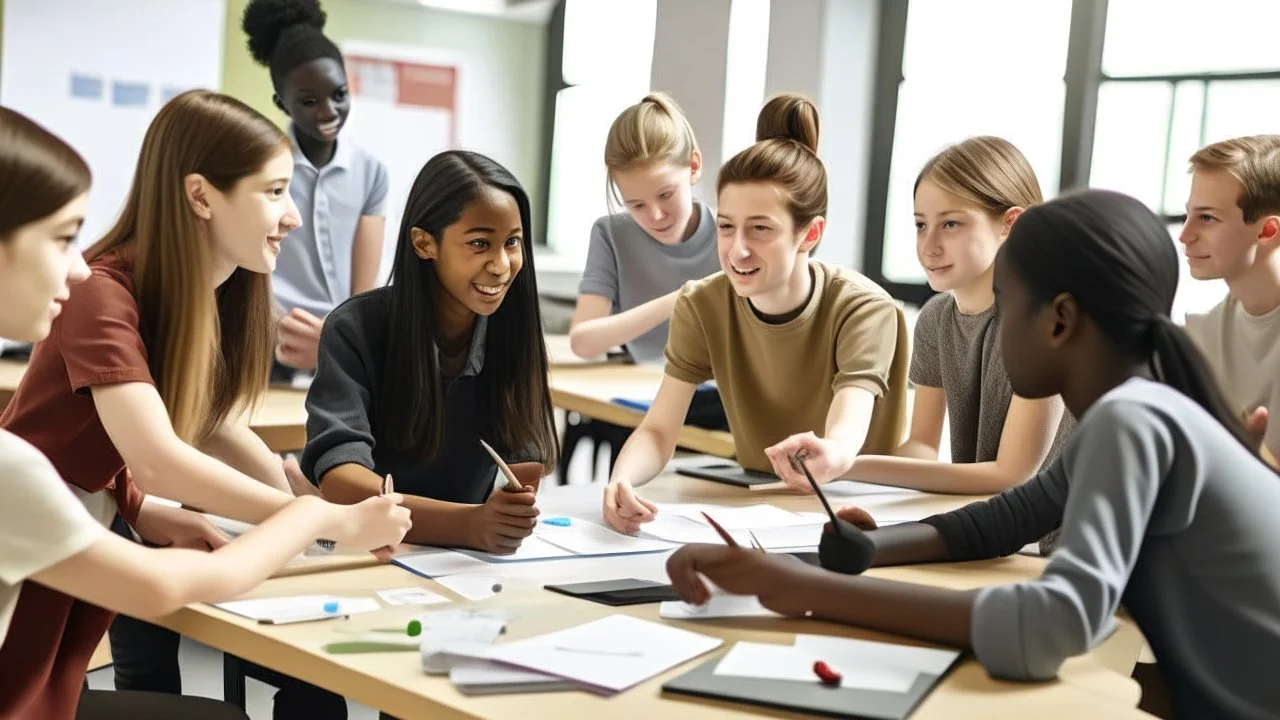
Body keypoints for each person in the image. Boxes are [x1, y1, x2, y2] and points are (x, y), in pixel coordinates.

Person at [665, 189, 1280, 720]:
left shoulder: (1132, 420)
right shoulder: (1139, 412)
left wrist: (805, 590)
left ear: (1060, 320)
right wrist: (872, 547)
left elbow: (1050, 626)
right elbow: (1011, 518)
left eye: (1006, 302)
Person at [0, 90, 406, 717]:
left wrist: (145, 505)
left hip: (68, 552)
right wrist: (317, 519)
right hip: (43, 583)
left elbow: (211, 422)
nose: (293, 216)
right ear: (200, 196)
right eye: (275, 192)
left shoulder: (196, 294)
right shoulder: (103, 296)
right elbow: (158, 461)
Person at [602, 94, 909, 533]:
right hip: (760, 508)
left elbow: (847, 427)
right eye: (727, 227)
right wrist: (622, 479)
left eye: (760, 229)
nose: (738, 250)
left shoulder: (863, 308)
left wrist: (834, 453)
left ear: (810, 234)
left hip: (861, 512)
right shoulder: (702, 304)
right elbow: (659, 430)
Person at [773, 137, 1072, 495]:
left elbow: (1011, 476)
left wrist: (846, 466)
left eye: (951, 224)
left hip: (1053, 527)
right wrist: (832, 464)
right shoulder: (936, 318)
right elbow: (922, 447)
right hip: (983, 514)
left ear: (1010, 223)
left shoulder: (1044, 323)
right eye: (920, 225)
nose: (929, 247)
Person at [302, 150, 559, 553]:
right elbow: (341, 479)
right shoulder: (355, 328)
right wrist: (467, 526)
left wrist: (506, 515)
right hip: (372, 551)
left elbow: (523, 469)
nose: (501, 265)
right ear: (424, 243)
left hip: (462, 562)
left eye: (512, 242)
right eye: (479, 244)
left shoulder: (513, 332)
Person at [243, 0, 389, 378]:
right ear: (282, 103)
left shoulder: (371, 172)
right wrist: (278, 332)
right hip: (266, 339)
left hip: (341, 343)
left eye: (339, 94)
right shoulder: (258, 167)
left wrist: (337, 340)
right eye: (309, 101)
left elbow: (363, 294)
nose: (328, 111)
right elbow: (247, 261)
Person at [569, 92, 720, 363]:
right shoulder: (610, 234)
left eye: (666, 195)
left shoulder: (731, 233)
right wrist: (681, 299)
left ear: (694, 166)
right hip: (638, 383)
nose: (656, 216)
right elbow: (583, 343)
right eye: (636, 205)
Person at [1180, 135, 1280, 460]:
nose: (1184, 235)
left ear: (1268, 231)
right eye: (1188, 214)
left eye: (1207, 218)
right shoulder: (1199, 336)